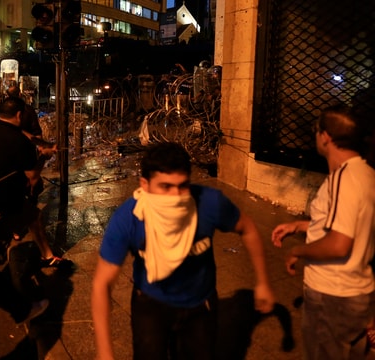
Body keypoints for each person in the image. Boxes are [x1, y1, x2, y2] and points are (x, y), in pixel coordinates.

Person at [91, 142, 275, 360]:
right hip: (150, 304)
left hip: (200, 304)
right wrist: (104, 353)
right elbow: (102, 283)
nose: (176, 196)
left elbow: (248, 229)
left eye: (183, 186)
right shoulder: (128, 219)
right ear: (145, 185)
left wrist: (263, 283)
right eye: (166, 187)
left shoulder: (209, 204)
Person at [271, 105, 375, 359]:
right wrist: (299, 226)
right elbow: (348, 223)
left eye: (316, 130)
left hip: (333, 296)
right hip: (356, 296)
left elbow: (339, 243)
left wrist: (298, 250)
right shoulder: (365, 173)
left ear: (326, 136)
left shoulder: (344, 178)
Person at [0, 96, 50, 322]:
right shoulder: (17, 141)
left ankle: (48, 255)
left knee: (33, 215)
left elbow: (20, 137)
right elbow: (33, 177)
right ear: (19, 115)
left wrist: (33, 142)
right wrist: (44, 156)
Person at [5, 85, 66, 268]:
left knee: (31, 204)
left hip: (21, 159)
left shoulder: (16, 115)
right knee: (30, 199)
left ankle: (43, 251)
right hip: (18, 164)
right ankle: (21, 231)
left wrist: (42, 144)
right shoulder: (15, 115)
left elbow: (29, 133)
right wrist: (45, 153)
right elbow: (32, 175)